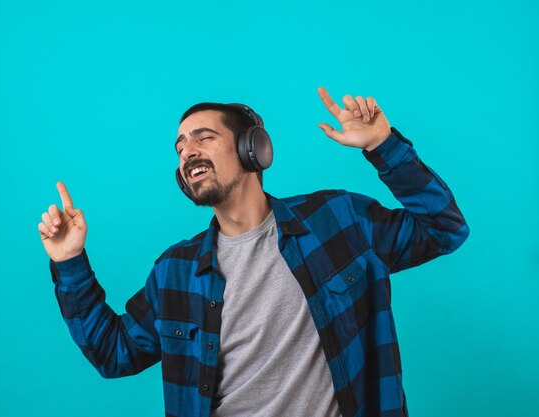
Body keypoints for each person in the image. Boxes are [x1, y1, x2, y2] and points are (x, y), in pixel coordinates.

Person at [38, 87, 469, 417]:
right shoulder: (175, 272)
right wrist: (68, 261)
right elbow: (113, 354)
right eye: (181, 147)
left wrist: (383, 145)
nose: (188, 151)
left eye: (204, 138)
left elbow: (445, 229)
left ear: (253, 149)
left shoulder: (338, 220)